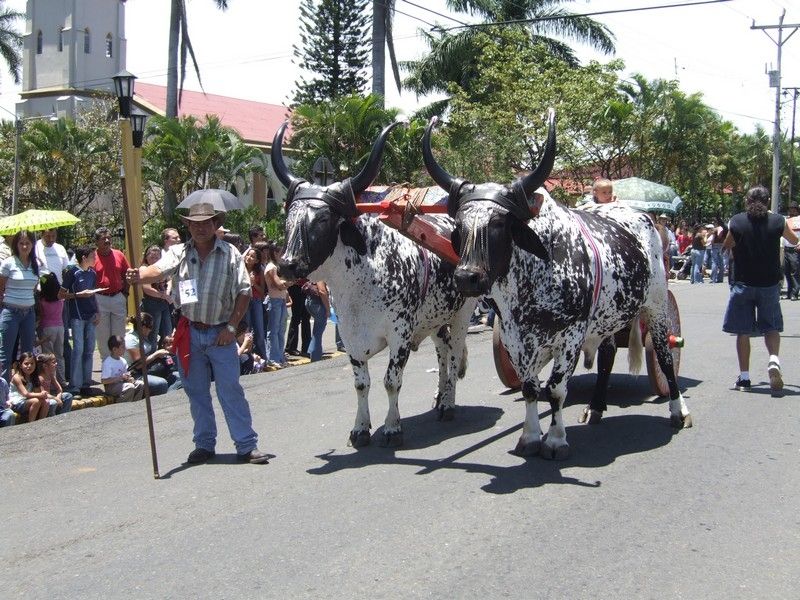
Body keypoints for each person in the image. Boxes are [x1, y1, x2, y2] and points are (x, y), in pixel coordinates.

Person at [126, 201, 269, 465]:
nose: (201, 228)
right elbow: (157, 269)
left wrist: (230, 327)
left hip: (220, 333)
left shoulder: (230, 254)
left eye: (206, 223)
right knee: (196, 392)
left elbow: (244, 292)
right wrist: (139, 275)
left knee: (230, 390)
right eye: (195, 224)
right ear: (188, 226)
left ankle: (247, 445)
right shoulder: (180, 252)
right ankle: (204, 444)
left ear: (215, 225)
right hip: (189, 332)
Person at [722, 186, 799, 393]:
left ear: (747, 200)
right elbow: (794, 240)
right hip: (769, 284)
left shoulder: (737, 221)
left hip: (743, 284)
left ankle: (745, 378)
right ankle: (773, 360)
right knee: (771, 327)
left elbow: (727, 245)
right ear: (767, 201)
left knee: (743, 332)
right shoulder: (778, 221)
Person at [59, 245, 102, 396]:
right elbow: (61, 295)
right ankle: (75, 385)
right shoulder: (72, 272)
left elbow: (94, 294)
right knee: (78, 349)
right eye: (92, 256)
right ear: (84, 257)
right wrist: (78, 294)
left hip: (91, 315)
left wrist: (98, 311)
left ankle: (86, 383)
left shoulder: (92, 273)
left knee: (89, 350)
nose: (95, 259)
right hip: (77, 316)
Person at [0, 230, 40, 381]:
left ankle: (26, 387)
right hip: (10, 312)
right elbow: (0, 289)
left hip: (29, 313)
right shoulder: (8, 263)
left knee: (28, 353)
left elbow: (34, 288)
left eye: (27, 243)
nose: (24, 246)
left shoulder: (35, 265)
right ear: (16, 245)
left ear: (32, 245)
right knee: (5, 354)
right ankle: (3, 393)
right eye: (21, 243)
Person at [93, 227, 130, 361]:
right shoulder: (93, 256)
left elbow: (127, 274)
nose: (107, 241)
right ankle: (106, 367)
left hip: (117, 298)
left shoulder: (119, 254)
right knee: (103, 337)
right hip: (99, 299)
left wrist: (125, 293)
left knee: (119, 336)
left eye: (109, 238)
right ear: (97, 242)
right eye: (103, 239)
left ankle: (120, 367)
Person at [124, 312, 179, 395]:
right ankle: (166, 397)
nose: (151, 330)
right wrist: (155, 355)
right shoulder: (131, 339)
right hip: (134, 374)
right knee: (162, 383)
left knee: (179, 376)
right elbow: (138, 364)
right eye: (150, 327)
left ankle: (170, 395)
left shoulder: (142, 337)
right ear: (143, 327)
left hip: (147, 369)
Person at [140, 245, 174, 347]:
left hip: (164, 304)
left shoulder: (162, 267)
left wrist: (167, 292)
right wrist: (164, 296)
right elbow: (147, 288)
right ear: (146, 257)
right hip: (152, 305)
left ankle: (166, 356)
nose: (155, 260)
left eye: (157, 257)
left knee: (168, 332)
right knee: (152, 334)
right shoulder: (144, 268)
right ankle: (152, 358)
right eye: (152, 257)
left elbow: (169, 279)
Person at [37, 272, 67, 385]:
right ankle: (62, 381)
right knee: (59, 356)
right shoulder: (60, 299)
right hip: (60, 328)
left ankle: (49, 382)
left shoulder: (42, 301)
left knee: (48, 358)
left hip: (47, 328)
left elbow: (41, 315)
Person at [262, 241, 290, 368]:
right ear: (275, 252)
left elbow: (288, 282)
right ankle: (273, 358)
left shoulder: (278, 266)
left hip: (281, 300)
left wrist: (286, 282)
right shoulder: (271, 267)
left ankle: (279, 356)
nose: (283, 254)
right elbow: (279, 285)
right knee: (273, 330)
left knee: (280, 330)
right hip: (274, 300)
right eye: (281, 252)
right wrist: (286, 282)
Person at [101, 335, 144, 403]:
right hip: (111, 386)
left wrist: (129, 378)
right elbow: (104, 381)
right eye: (122, 347)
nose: (125, 349)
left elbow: (126, 374)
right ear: (115, 349)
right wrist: (120, 378)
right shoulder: (108, 362)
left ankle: (135, 404)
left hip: (122, 383)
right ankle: (121, 404)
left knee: (140, 384)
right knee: (130, 387)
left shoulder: (123, 361)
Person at [243, 246, 268, 361]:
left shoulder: (259, 271)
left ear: (257, 260)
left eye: (252, 256)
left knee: (259, 329)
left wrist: (253, 283)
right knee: (246, 329)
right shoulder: (240, 269)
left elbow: (262, 292)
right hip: (243, 301)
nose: (249, 257)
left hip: (256, 300)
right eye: (248, 255)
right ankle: (249, 357)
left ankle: (263, 357)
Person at [8, 352, 48, 422]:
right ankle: (31, 423)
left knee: (45, 402)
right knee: (36, 401)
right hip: (16, 402)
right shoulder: (17, 377)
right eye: (26, 364)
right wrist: (40, 394)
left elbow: (38, 391)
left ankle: (42, 422)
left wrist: (43, 393)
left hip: (26, 400)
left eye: (32, 364)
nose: (29, 366)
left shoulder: (33, 377)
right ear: (20, 365)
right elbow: (25, 394)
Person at [304, 279, 330, 362]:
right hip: (317, 303)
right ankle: (315, 356)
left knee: (317, 330)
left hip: (310, 301)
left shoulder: (314, 275)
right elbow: (322, 292)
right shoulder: (320, 276)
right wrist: (328, 309)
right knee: (318, 331)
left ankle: (312, 351)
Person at [285, 280, 311, 358]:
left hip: (305, 287)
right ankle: (291, 347)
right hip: (295, 288)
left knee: (306, 318)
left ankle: (306, 347)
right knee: (296, 318)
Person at [782, 202, 800, 300]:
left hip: (795, 249)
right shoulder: (786, 220)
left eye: (794, 208)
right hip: (786, 249)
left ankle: (795, 293)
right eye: (790, 208)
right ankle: (789, 292)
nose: (791, 210)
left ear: (797, 210)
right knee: (787, 272)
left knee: (795, 272)